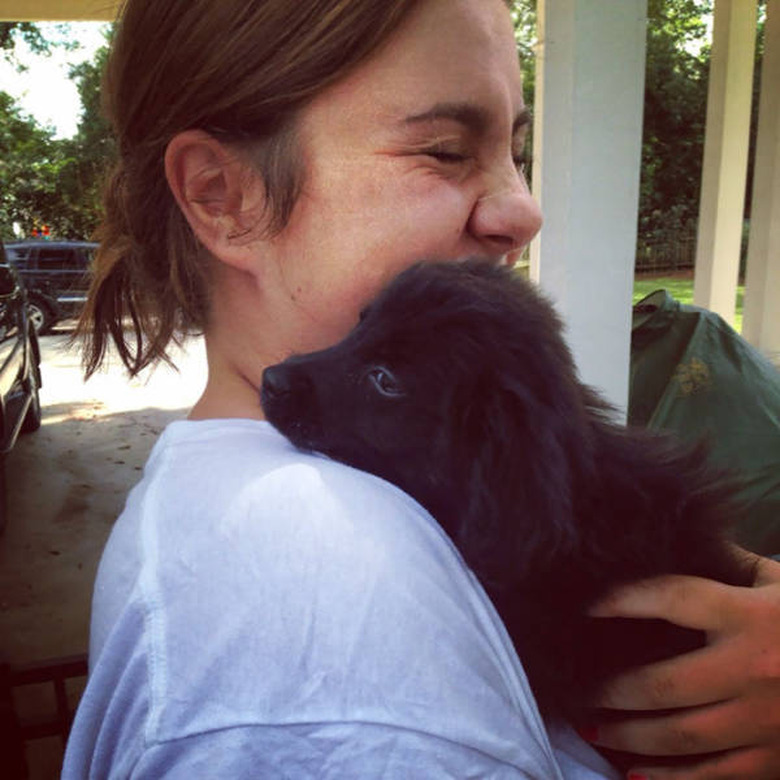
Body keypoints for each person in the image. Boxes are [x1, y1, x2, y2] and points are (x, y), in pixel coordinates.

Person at [60, 0, 780, 778]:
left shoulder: (270, 491)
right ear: (222, 196)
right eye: (444, 149)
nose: (525, 208)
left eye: (515, 149)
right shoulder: (323, 601)